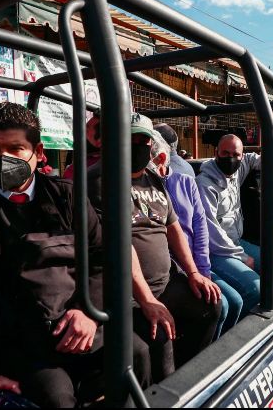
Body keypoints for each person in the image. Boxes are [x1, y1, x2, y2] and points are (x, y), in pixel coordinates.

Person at [0, 104, 162, 408]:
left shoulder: (67, 195)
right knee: (55, 396)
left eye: (15, 148)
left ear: (38, 151)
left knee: (137, 353)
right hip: (17, 338)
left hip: (80, 320)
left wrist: (87, 311)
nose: (4, 159)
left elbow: (104, 257)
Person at [88, 113, 222, 367]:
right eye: (131, 139)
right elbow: (118, 245)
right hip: (128, 294)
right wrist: (147, 299)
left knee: (211, 304)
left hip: (167, 282)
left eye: (143, 141)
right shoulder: (100, 181)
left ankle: (188, 373)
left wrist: (193, 272)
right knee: (160, 336)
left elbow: (174, 229)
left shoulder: (153, 180)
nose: (137, 146)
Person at [150, 136, 240, 339]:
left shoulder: (185, 182)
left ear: (161, 159)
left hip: (195, 264)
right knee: (221, 305)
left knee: (235, 301)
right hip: (173, 268)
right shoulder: (144, 189)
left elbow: (200, 230)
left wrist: (203, 272)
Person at [196, 134, 273, 318]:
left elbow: (254, 158)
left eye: (235, 154)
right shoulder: (204, 184)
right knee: (255, 288)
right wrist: (241, 256)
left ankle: (267, 319)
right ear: (216, 153)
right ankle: (242, 331)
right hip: (216, 251)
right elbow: (210, 231)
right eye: (225, 153)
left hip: (236, 241)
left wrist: (271, 169)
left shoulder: (236, 171)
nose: (230, 158)